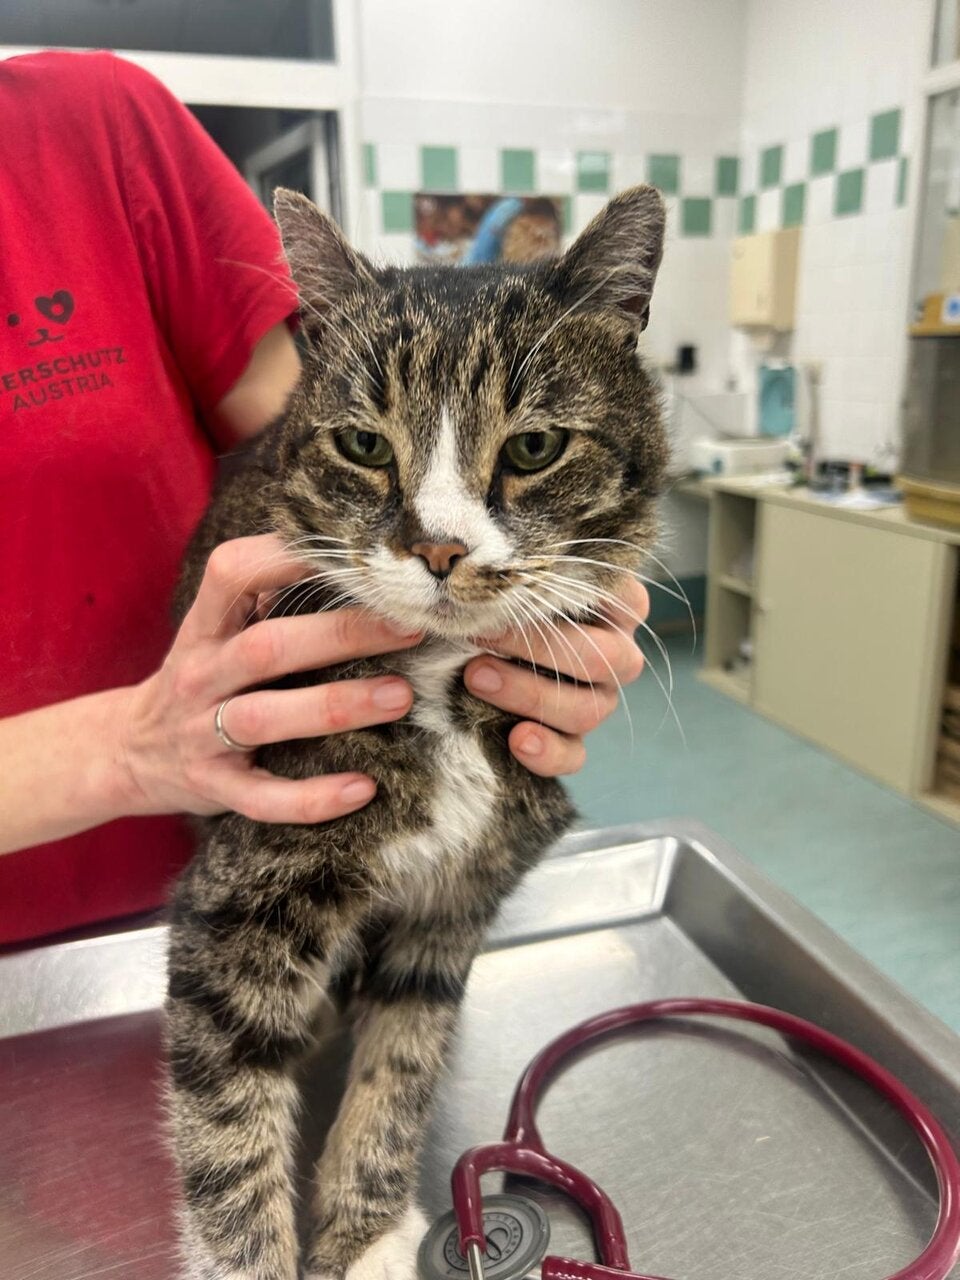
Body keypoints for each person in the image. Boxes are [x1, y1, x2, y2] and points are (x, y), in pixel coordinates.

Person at [0, 50, 649, 948]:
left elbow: (291, 426)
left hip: (295, 814)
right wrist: (127, 746)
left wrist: (555, 610)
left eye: (531, 448)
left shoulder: (98, 118)